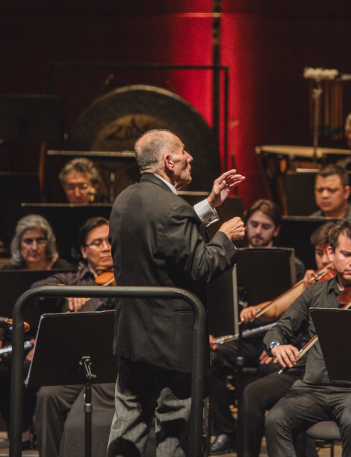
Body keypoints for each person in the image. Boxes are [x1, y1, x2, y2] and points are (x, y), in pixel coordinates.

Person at [106, 129, 245, 456]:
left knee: (128, 422)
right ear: (168, 161)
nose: (190, 157)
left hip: (131, 335)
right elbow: (201, 267)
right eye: (184, 151)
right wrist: (224, 236)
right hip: (172, 343)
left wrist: (210, 205)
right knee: (176, 427)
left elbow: (163, 237)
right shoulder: (171, 207)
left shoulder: (125, 199)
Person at [263, 220, 351, 457]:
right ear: (332, 253)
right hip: (311, 389)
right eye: (346, 254)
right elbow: (279, 329)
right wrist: (277, 346)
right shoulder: (315, 293)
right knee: (275, 419)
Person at [209, 199, 307, 455]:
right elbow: (221, 302)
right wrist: (217, 333)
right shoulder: (231, 258)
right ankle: (226, 431)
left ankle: (278, 435)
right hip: (244, 337)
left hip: (279, 340)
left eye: (265, 226)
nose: (258, 231)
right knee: (211, 357)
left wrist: (278, 344)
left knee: (272, 371)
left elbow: (299, 315)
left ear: (275, 230)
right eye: (253, 224)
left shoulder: (294, 266)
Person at [239, 222, 336, 457]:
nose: (324, 260)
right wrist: (259, 315)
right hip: (302, 366)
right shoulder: (312, 286)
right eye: (319, 253)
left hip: (331, 373)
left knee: (288, 405)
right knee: (251, 393)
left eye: (331, 252)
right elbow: (278, 310)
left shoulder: (347, 287)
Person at [31, 217, 117, 457]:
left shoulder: (130, 278)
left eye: (109, 241)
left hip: (111, 367)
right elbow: (35, 292)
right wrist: (67, 293)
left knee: (81, 423)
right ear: (83, 251)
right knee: (48, 396)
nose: (106, 248)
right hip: (75, 366)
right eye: (97, 243)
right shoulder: (72, 280)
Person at [5, 214, 73, 271]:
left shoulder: (64, 269)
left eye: (40, 241)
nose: (34, 248)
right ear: (18, 245)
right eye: (28, 241)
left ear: (48, 243)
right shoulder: (9, 271)